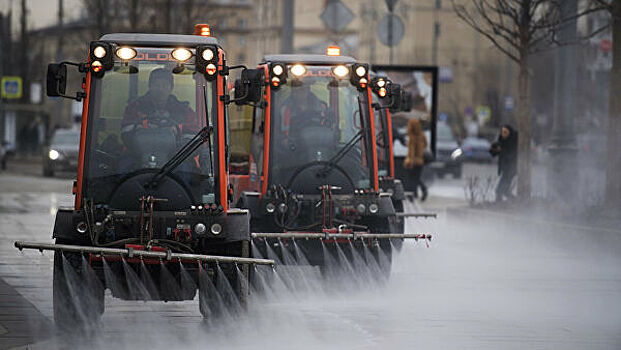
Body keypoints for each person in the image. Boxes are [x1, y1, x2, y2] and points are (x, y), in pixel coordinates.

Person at [490, 124, 518, 202]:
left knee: (504, 183)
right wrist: (495, 149)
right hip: (505, 167)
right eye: (502, 132)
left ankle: (501, 196)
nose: (503, 134)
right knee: (504, 183)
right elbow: (494, 153)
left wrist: (502, 151)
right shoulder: (501, 140)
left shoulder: (513, 140)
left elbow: (512, 154)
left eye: (505, 132)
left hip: (511, 167)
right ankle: (506, 197)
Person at [403, 118, 428, 201]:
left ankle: (413, 195)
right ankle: (421, 191)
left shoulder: (411, 138)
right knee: (417, 177)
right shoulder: (422, 135)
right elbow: (425, 145)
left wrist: (410, 160)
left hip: (413, 161)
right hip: (420, 160)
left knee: (411, 178)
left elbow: (411, 151)